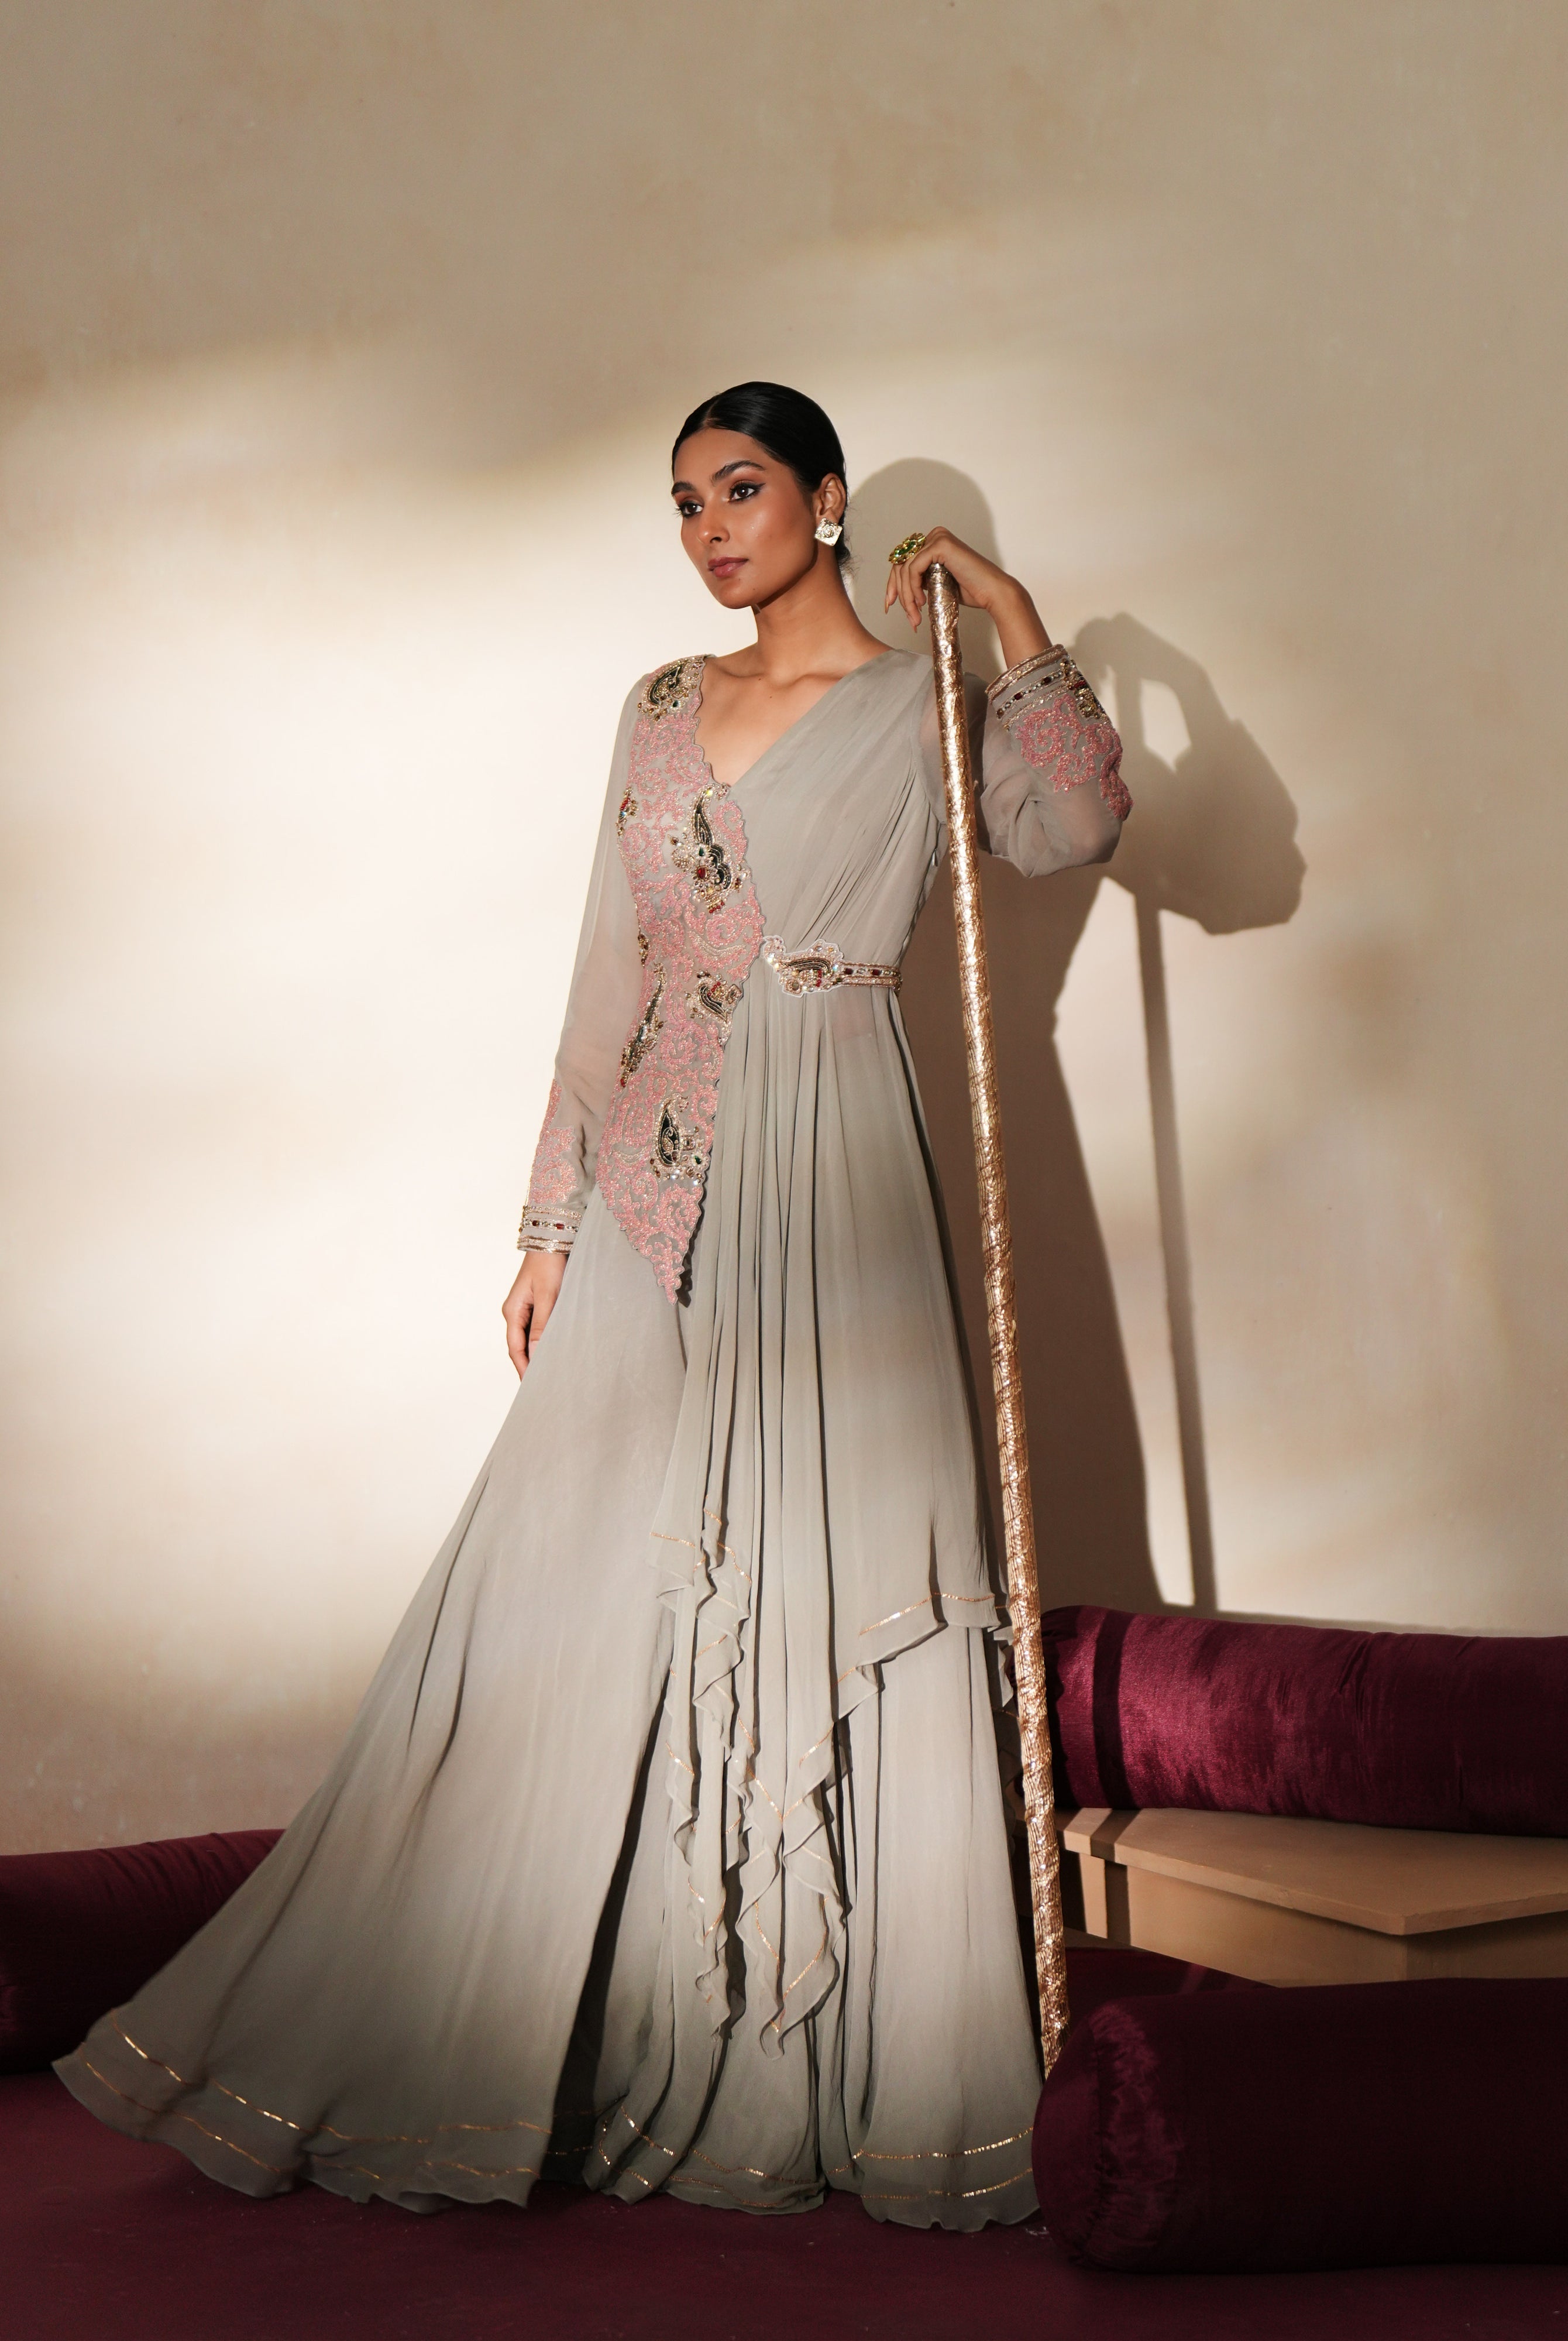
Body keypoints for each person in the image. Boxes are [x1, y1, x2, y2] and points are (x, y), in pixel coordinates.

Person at [57, 383, 1129, 2228]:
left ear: (828, 497)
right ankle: (506, 2015)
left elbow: (1065, 834)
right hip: (654, 1182)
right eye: (684, 503)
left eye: (741, 489)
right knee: (570, 1579)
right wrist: (551, 1221)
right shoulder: (654, 714)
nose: (710, 528)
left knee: (825, 1564)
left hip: (842, 1161)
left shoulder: (920, 702)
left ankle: (832, 2048)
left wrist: (1019, 630)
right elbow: (607, 976)